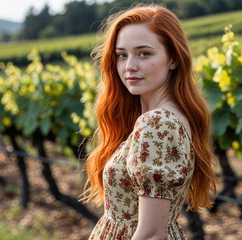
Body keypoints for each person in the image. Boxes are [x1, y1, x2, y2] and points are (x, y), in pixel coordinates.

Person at [81, 4, 217, 239]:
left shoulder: (158, 123)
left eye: (144, 53)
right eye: (122, 55)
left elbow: (152, 234)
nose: (129, 66)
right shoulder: (162, 117)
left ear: (173, 59)